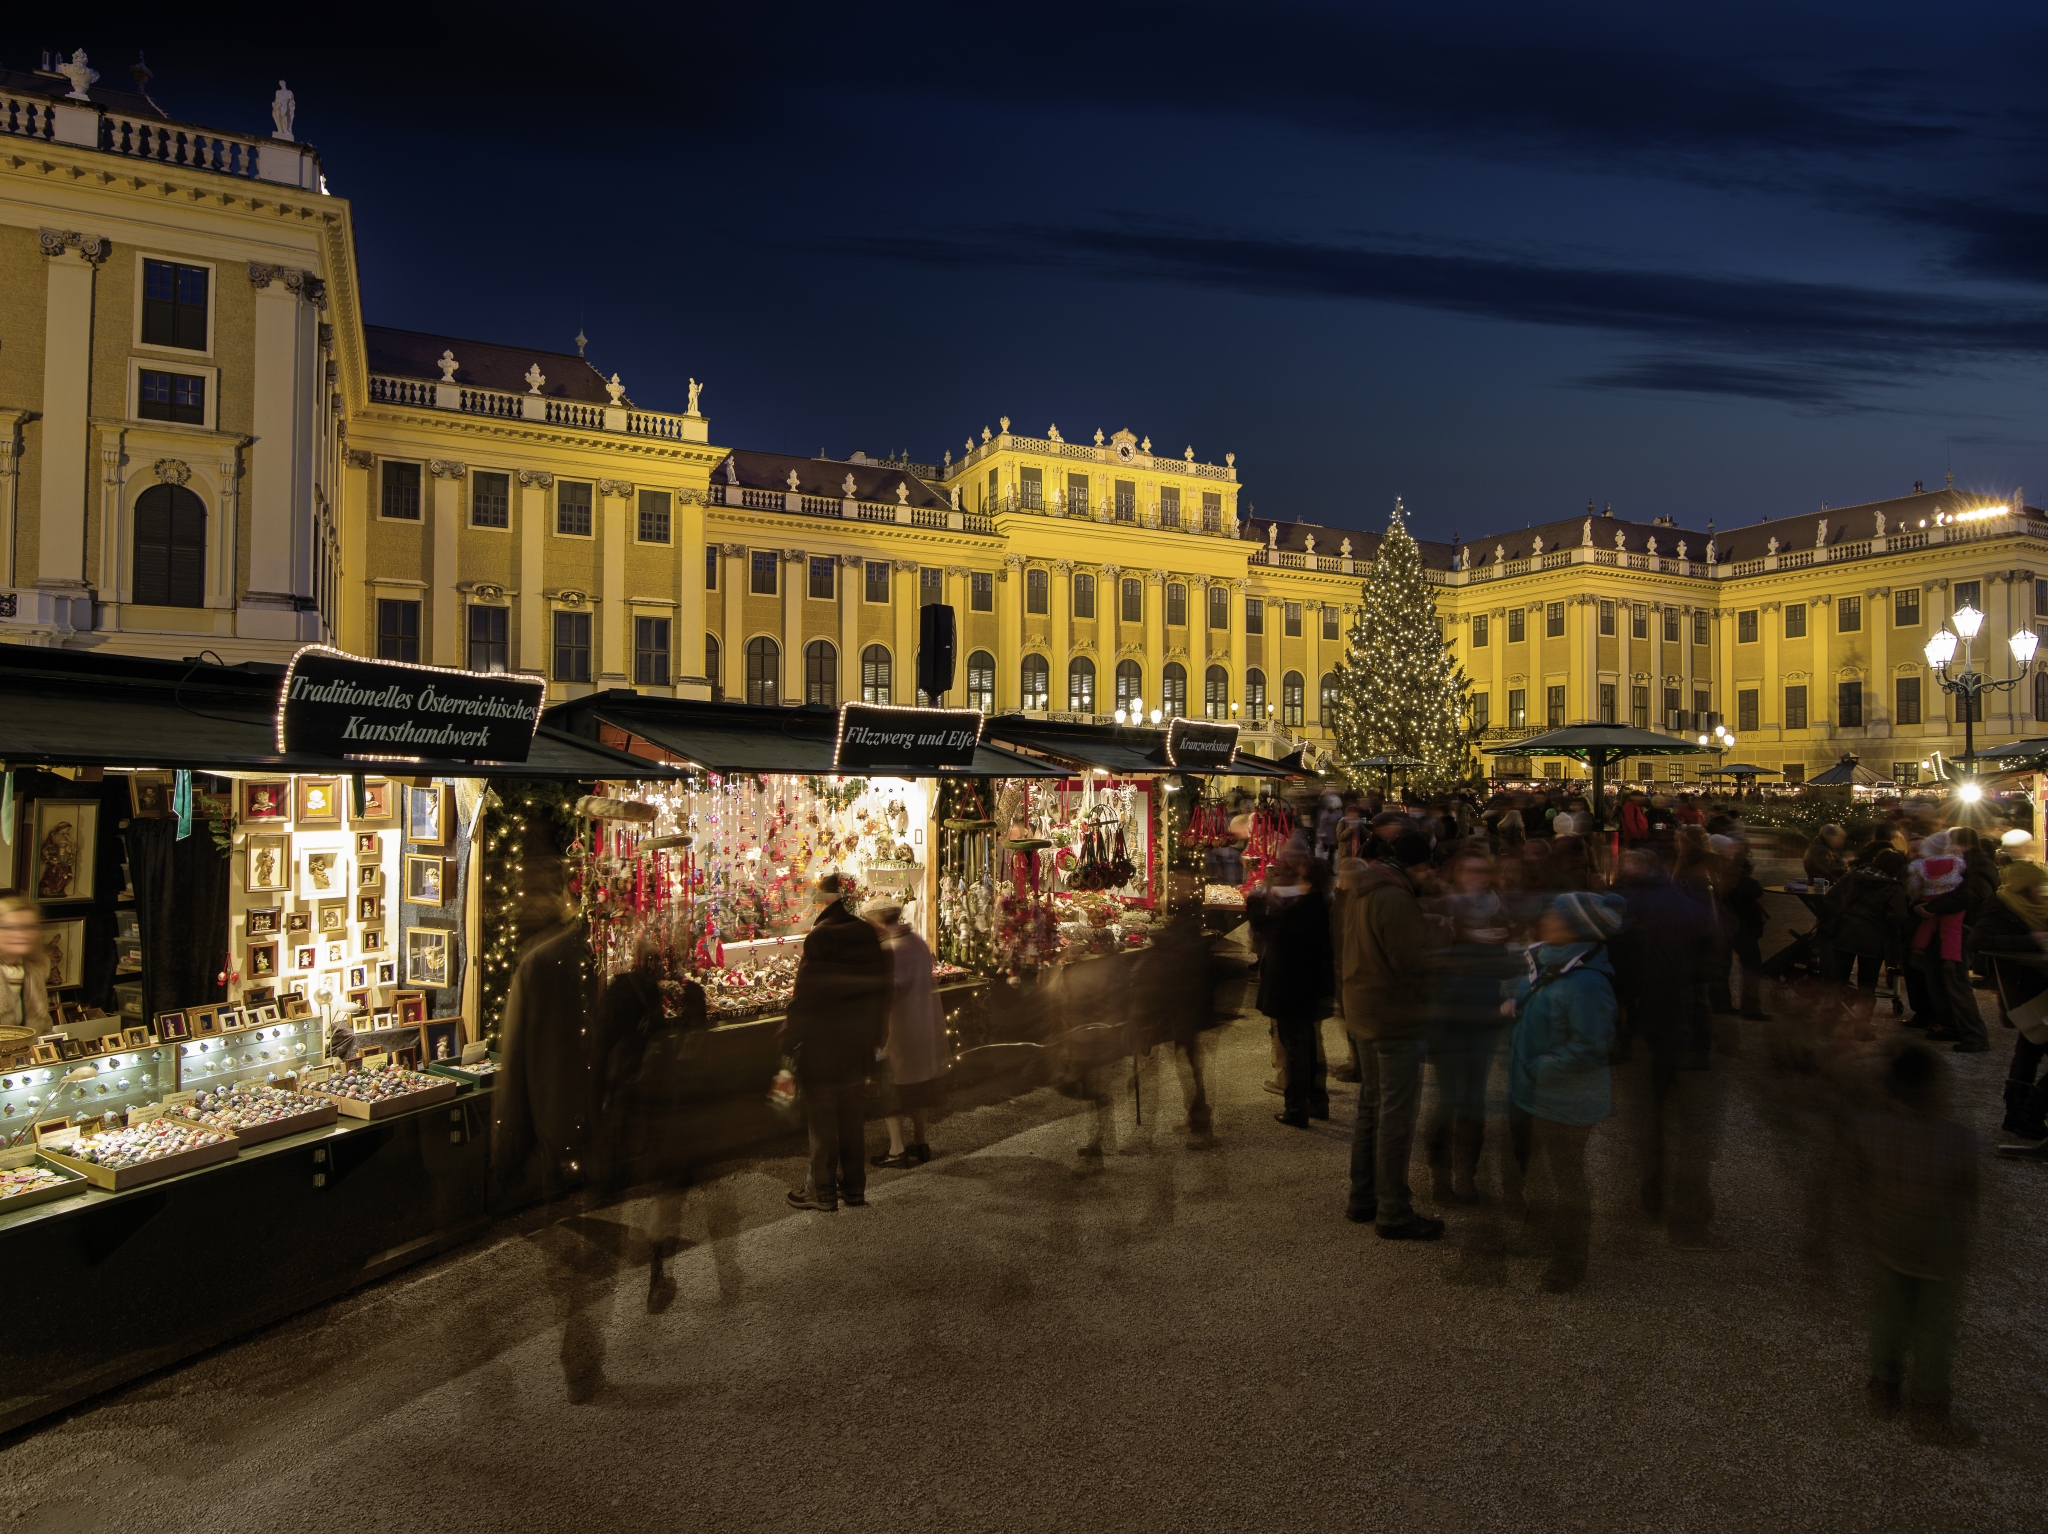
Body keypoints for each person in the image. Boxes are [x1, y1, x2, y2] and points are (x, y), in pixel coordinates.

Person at [1850, 1044, 1978, 1443]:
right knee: (1935, 1329)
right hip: (1938, 1251)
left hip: (1887, 1240)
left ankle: (1883, 1386)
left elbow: (1858, 1180)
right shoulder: (1958, 1140)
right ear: (1936, 1091)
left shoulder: (1870, 1128)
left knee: (1888, 1315)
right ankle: (1929, 1409)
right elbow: (1968, 1192)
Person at [1507, 892, 1625, 1293]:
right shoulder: (1548, 961)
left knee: (1567, 1180)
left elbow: (1590, 1047)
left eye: (1555, 915)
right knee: (1541, 1173)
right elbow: (1538, 1000)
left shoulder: (1588, 983)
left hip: (1566, 1098)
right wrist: (1516, 1006)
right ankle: (1543, 1238)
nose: (1546, 919)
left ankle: (1569, 1262)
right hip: (1534, 1092)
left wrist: (1536, 1068)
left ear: (1577, 928)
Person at [1336, 833, 1444, 1240]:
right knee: (1395, 1117)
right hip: (1391, 1016)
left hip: (1363, 1008)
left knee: (1372, 1107)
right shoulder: (1396, 899)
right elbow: (1411, 962)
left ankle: (1363, 1196)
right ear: (1421, 866)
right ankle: (1393, 1210)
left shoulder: (1363, 890)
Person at [780, 872, 892, 1211]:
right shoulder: (865, 935)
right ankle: (854, 1188)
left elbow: (805, 997)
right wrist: (876, 1039)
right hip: (857, 1045)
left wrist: (788, 1041)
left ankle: (824, 1191)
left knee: (823, 1120)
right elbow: (881, 991)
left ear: (826, 901)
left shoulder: (820, 939)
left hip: (822, 1048)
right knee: (852, 1119)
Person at [1423, 850, 1517, 1201]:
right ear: (1457, 874)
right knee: (1448, 1100)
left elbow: (1509, 962)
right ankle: (1440, 1174)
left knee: (1474, 1101)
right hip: (1449, 1015)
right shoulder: (1443, 908)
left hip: (1484, 1014)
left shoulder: (1501, 908)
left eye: (1482, 871)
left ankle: (1467, 1174)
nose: (1476, 878)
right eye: (1469, 871)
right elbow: (1426, 959)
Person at [1251, 852, 1335, 1128]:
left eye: (1298, 874)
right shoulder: (1315, 905)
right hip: (1303, 985)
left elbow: (1269, 929)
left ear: (1306, 880)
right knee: (1306, 1044)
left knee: (1296, 1048)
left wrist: (1254, 904)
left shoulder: (1304, 909)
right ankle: (1314, 1101)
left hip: (1291, 986)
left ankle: (1297, 1109)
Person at [1967, 861, 2048, 1141]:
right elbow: (1978, 940)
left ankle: (2017, 1117)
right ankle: (2030, 1116)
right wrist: (2033, 940)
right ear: (2023, 888)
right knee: (2031, 1047)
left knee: (2030, 1049)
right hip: (2023, 990)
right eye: (2038, 886)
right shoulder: (2002, 906)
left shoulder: (2039, 908)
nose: (2043, 891)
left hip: (2041, 988)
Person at [866, 898, 946, 1169]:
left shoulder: (891, 949)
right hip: (922, 1025)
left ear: (877, 922)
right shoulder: (917, 942)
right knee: (919, 1088)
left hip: (898, 1031)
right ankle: (921, 1142)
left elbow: (890, 992)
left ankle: (897, 1149)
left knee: (892, 1091)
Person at [1827, 849, 1909, 1039]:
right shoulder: (1893, 887)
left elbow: (1830, 898)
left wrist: (1844, 916)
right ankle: (1862, 1028)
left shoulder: (1852, 877)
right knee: (1867, 986)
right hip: (1873, 940)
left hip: (1845, 934)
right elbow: (1898, 916)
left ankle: (1827, 1024)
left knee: (1837, 983)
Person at [0, 894, 50, 1035]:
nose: (23, 934)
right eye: (12, 928)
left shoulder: (34, 973)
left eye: (29, 927)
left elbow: (44, 1031)